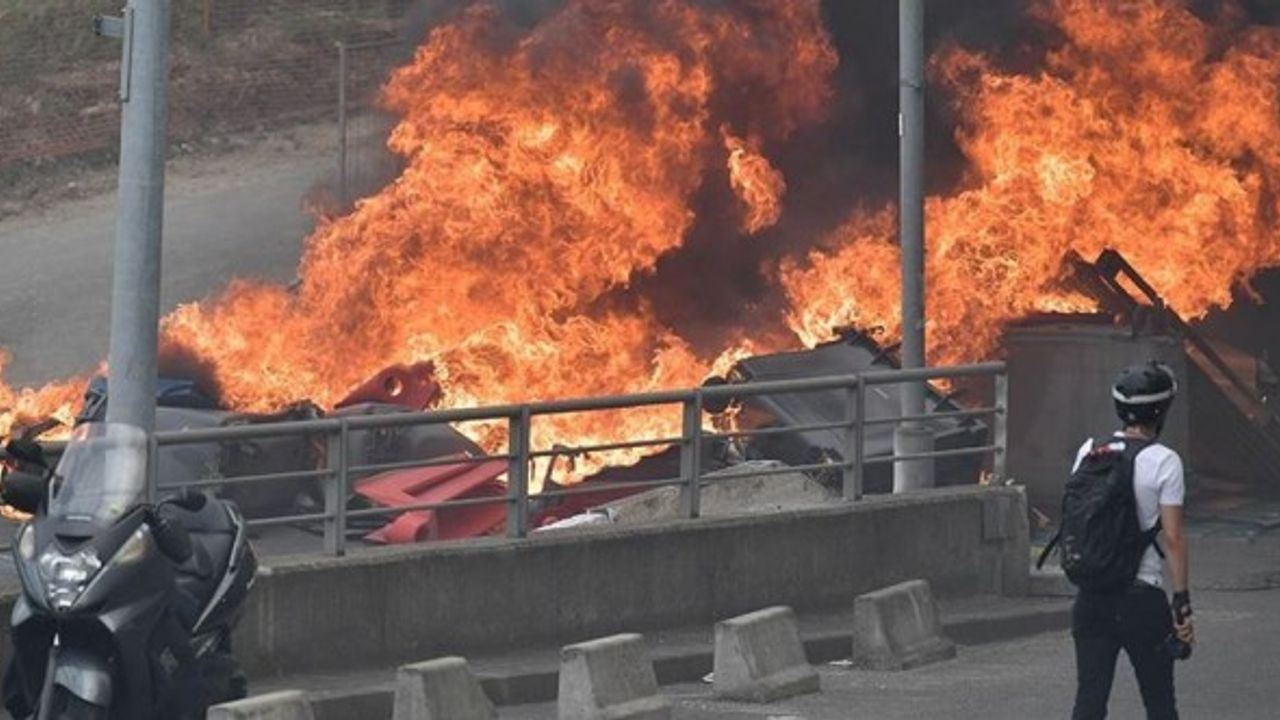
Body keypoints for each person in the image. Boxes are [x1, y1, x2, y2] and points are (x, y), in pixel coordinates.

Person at [1071, 362, 1195, 720]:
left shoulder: (1089, 452)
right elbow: (1172, 538)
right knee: (1159, 702)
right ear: (1161, 411)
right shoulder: (1164, 461)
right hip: (1142, 599)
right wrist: (1182, 602)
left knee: (1089, 702)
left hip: (1091, 598)